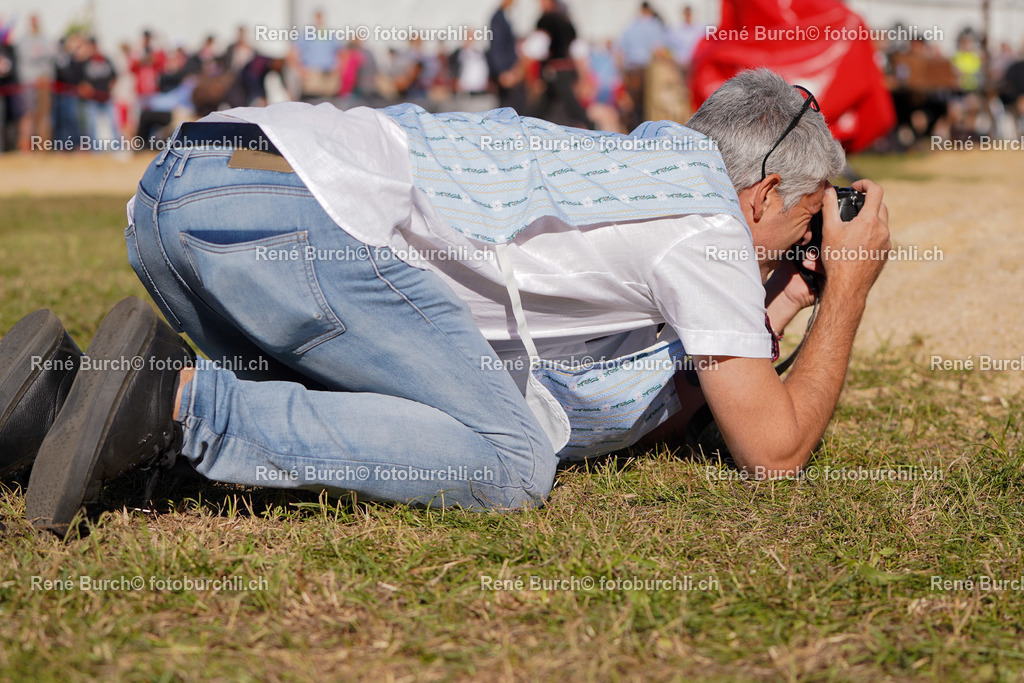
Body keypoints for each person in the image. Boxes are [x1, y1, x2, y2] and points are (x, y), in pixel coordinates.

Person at [0, 69, 890, 535]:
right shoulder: (708, 220)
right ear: (761, 195)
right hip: (300, 212)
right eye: (803, 220)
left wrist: (777, 308)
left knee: (386, 414)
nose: (796, 246)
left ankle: (60, 395)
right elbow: (773, 452)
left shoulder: (640, 167)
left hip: (191, 185)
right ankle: (176, 402)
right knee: (512, 461)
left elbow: (619, 401)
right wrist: (845, 290)